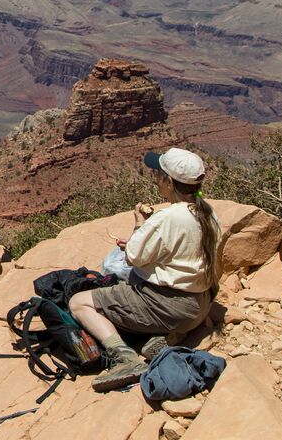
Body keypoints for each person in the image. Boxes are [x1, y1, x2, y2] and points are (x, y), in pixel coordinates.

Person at [69, 148, 220, 393]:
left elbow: (133, 258)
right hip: (199, 306)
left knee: (79, 303)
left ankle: (124, 358)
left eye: (158, 174)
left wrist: (140, 223)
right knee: (121, 291)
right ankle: (169, 337)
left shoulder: (168, 218)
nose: (155, 178)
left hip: (169, 305)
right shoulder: (208, 213)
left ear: (169, 182)